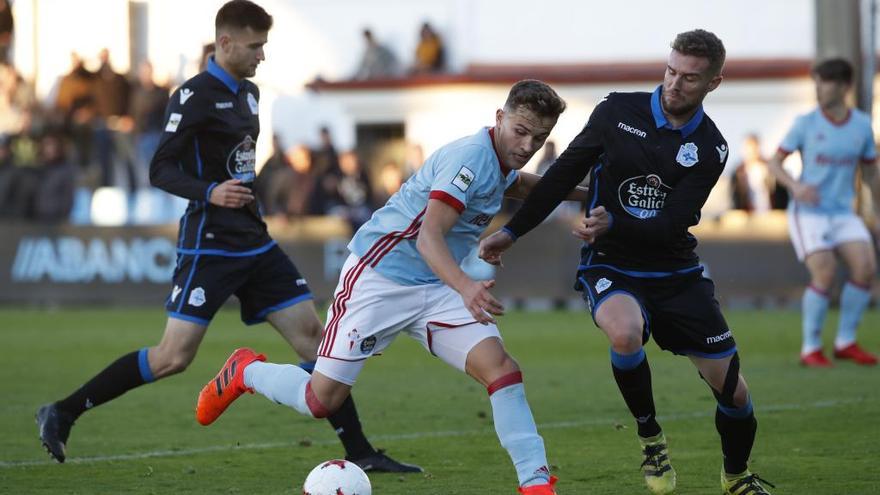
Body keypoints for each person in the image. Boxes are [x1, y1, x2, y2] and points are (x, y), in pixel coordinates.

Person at [35, 0, 419, 474]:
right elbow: (161, 169)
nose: (262, 55)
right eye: (256, 46)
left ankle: (360, 451)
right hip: (209, 244)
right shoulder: (192, 95)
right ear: (226, 43)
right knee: (172, 357)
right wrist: (210, 191)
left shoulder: (250, 93)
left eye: (264, 46)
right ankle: (63, 411)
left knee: (317, 343)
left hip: (254, 240)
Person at [196, 79, 585, 494]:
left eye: (538, 138)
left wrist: (590, 193)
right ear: (499, 118)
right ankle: (246, 371)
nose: (527, 146)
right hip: (378, 279)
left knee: (503, 371)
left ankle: (536, 484)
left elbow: (521, 185)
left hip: (436, 286)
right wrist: (467, 287)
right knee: (319, 400)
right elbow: (427, 237)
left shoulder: (501, 159)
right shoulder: (469, 158)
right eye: (521, 132)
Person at [480, 30, 774, 495]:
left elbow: (675, 223)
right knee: (624, 330)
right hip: (611, 265)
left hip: (676, 274)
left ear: (713, 83)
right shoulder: (616, 111)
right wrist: (511, 232)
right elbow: (562, 176)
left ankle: (735, 476)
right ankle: (650, 436)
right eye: (671, 71)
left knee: (735, 395)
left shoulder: (712, 147)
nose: (675, 84)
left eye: (690, 78)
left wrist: (612, 221)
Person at [766, 58, 880, 368]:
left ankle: (845, 342)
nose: (818, 88)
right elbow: (774, 163)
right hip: (809, 212)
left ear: (844, 86)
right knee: (825, 272)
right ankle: (811, 348)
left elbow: (871, 173)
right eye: (816, 81)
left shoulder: (860, 125)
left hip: (843, 212)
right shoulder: (805, 123)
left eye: (824, 82)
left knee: (865, 269)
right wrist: (794, 185)